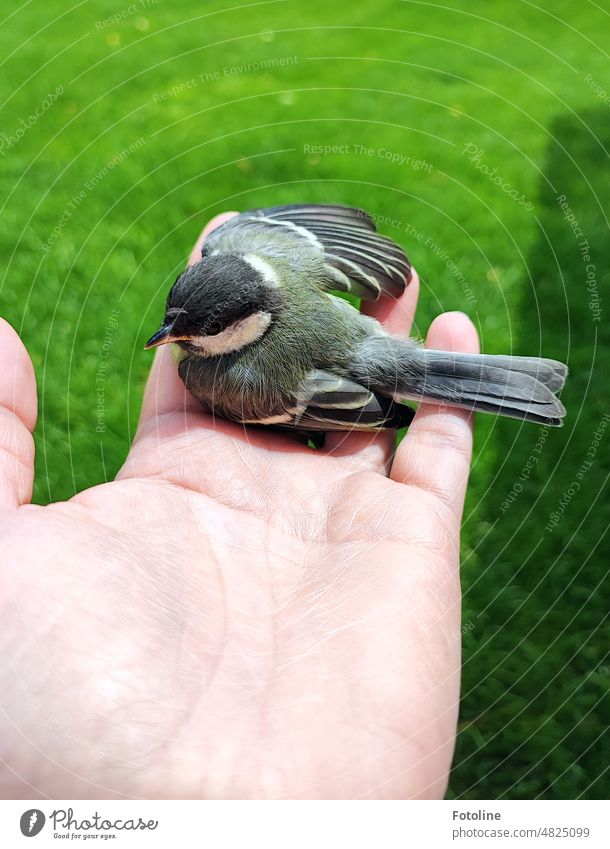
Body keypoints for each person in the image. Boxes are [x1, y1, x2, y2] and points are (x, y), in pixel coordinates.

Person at [0, 214, 478, 799]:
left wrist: (377, 410)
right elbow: (327, 249)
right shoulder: (246, 250)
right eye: (178, 328)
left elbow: (354, 405)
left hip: (359, 360)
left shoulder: (226, 375)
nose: (180, 340)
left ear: (248, 320)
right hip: (356, 344)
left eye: (201, 331)